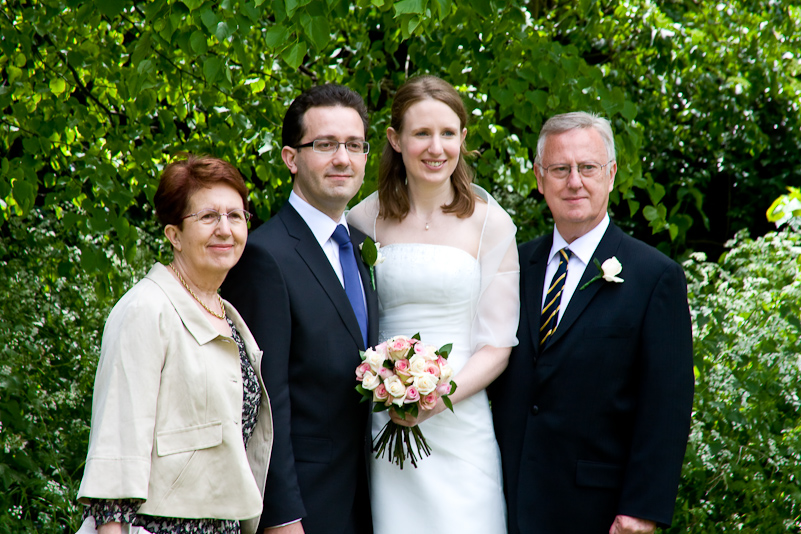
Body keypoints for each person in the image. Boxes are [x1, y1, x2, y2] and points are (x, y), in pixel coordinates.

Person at [490, 112, 694, 534]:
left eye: (588, 167)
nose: (574, 181)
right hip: (503, 497)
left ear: (611, 174)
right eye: (560, 169)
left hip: (597, 509)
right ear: (539, 177)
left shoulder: (655, 277)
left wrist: (643, 507)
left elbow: (667, 403)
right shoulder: (512, 264)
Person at [347, 75, 520, 534]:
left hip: (462, 419)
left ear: (463, 139)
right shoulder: (362, 219)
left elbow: (497, 346)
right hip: (385, 414)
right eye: (421, 133)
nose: (435, 147)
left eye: (447, 133)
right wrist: (392, 393)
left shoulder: (491, 224)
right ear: (395, 140)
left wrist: (435, 398)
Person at [76, 155, 274, 534]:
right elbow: (117, 450)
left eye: (236, 216)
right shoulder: (145, 310)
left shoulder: (226, 314)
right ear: (174, 235)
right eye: (208, 217)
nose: (225, 229)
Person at [221, 84, 378, 534]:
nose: (342, 158)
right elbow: (268, 400)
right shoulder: (265, 255)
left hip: (365, 498)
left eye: (353, 145)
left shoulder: (362, 247)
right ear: (291, 158)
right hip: (306, 507)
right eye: (325, 145)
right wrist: (283, 517)